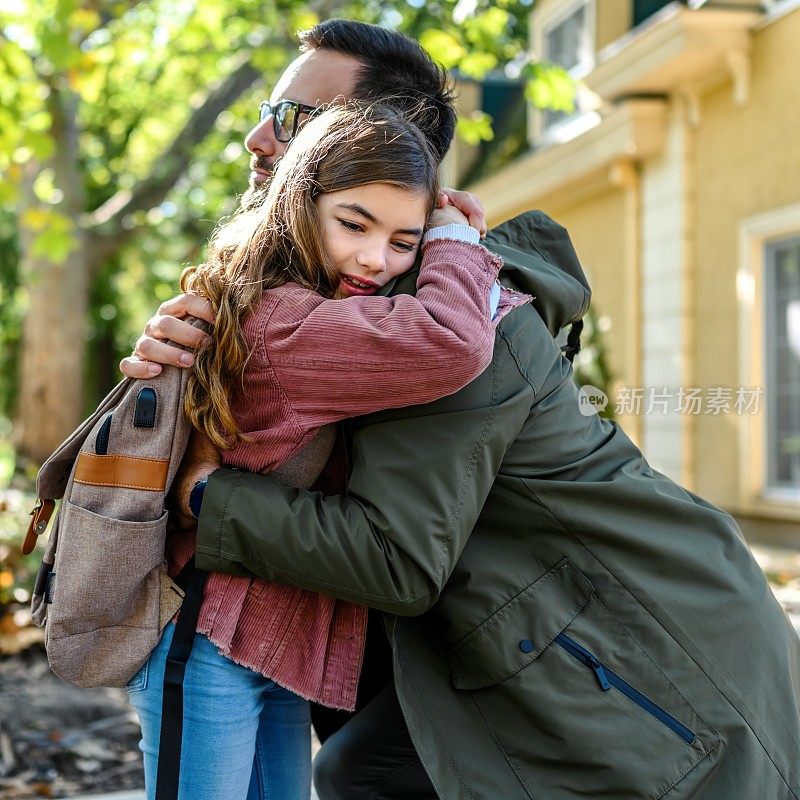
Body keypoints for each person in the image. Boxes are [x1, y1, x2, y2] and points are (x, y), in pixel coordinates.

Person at [124, 19, 800, 800]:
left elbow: (394, 559)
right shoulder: (346, 301)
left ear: (381, 146)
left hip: (653, 658)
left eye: (292, 119)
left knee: (362, 774)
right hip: (547, 631)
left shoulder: (445, 331)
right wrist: (187, 356)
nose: (256, 137)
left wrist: (204, 496)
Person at [127, 100, 523, 800]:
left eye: (404, 242)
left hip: (273, 635)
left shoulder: (314, 302)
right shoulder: (288, 321)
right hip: (209, 630)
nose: (376, 259)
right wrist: (455, 241)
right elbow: (455, 341)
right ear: (299, 203)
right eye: (353, 224)